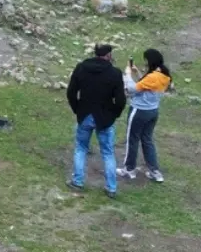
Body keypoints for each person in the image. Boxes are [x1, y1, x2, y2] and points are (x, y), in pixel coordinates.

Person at [66, 44, 127, 198]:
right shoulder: (114, 73)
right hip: (105, 118)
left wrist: (77, 109)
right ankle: (111, 188)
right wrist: (114, 114)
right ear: (108, 55)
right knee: (107, 152)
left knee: (81, 148)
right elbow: (120, 100)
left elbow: (71, 92)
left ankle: (78, 181)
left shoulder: (81, 68)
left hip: (85, 114)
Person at [120, 49, 172, 183]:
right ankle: (154, 171)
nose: (145, 62)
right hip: (153, 112)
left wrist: (127, 74)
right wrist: (137, 73)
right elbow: (146, 86)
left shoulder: (152, 77)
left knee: (132, 139)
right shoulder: (164, 76)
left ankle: (129, 169)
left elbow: (133, 89)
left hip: (139, 111)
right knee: (147, 140)